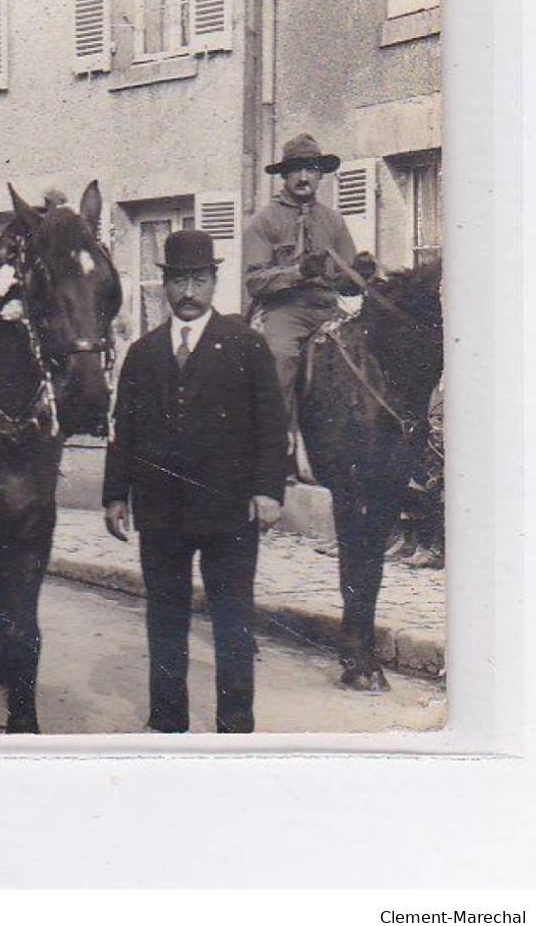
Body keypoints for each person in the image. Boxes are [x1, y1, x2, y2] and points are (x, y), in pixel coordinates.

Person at [102, 228, 290, 734]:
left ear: (214, 282)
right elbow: (124, 430)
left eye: (199, 280)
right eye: (180, 281)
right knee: (165, 617)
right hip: (161, 511)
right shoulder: (141, 354)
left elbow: (273, 425)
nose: (189, 292)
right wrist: (115, 494)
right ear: (164, 286)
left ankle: (235, 724)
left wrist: (269, 490)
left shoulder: (246, 346)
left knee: (232, 620)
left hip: (229, 511)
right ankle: (167, 720)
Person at [241, 134, 357, 449]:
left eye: (311, 169)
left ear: (320, 174)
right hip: (284, 310)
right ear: (284, 175)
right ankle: (277, 448)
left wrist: (361, 273)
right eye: (296, 169)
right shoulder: (264, 221)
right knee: (281, 356)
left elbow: (347, 277)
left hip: (327, 308)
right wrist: (298, 272)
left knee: (363, 352)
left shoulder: (333, 221)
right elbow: (254, 281)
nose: (304, 177)